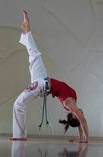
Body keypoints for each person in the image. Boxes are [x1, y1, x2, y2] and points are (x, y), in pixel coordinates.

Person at [11, 11, 88, 143]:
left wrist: (86, 140)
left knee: (18, 103)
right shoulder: (74, 100)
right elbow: (80, 121)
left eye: (78, 115)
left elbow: (82, 120)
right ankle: (27, 30)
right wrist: (81, 138)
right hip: (42, 78)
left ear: (74, 115)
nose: (82, 113)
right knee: (34, 55)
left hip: (42, 86)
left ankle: (19, 135)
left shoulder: (69, 104)